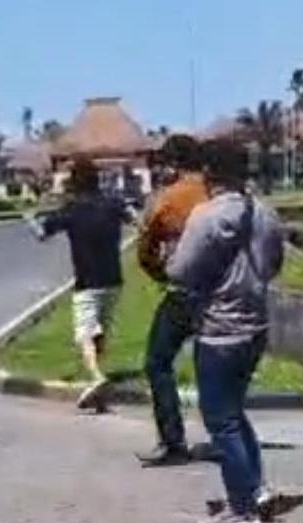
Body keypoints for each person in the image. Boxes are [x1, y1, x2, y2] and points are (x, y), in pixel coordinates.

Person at [165, 138, 284, 523]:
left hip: (219, 329)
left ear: (209, 173)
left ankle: (242, 508)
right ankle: (255, 488)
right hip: (255, 325)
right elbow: (274, 264)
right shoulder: (265, 213)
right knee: (234, 412)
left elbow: (180, 272)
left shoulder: (206, 216)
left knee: (221, 419)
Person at [29, 158, 134, 410]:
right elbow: (133, 218)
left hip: (87, 280)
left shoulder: (72, 209)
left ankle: (96, 377)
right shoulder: (112, 203)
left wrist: (30, 220)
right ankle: (97, 381)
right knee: (101, 331)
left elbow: (42, 234)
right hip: (113, 278)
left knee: (85, 334)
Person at [135, 135, 209, 466]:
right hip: (222, 294)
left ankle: (172, 440)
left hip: (183, 292)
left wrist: (161, 275)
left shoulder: (167, 200)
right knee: (215, 364)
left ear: (172, 164)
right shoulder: (216, 194)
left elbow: (146, 249)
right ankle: (228, 434)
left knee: (157, 362)